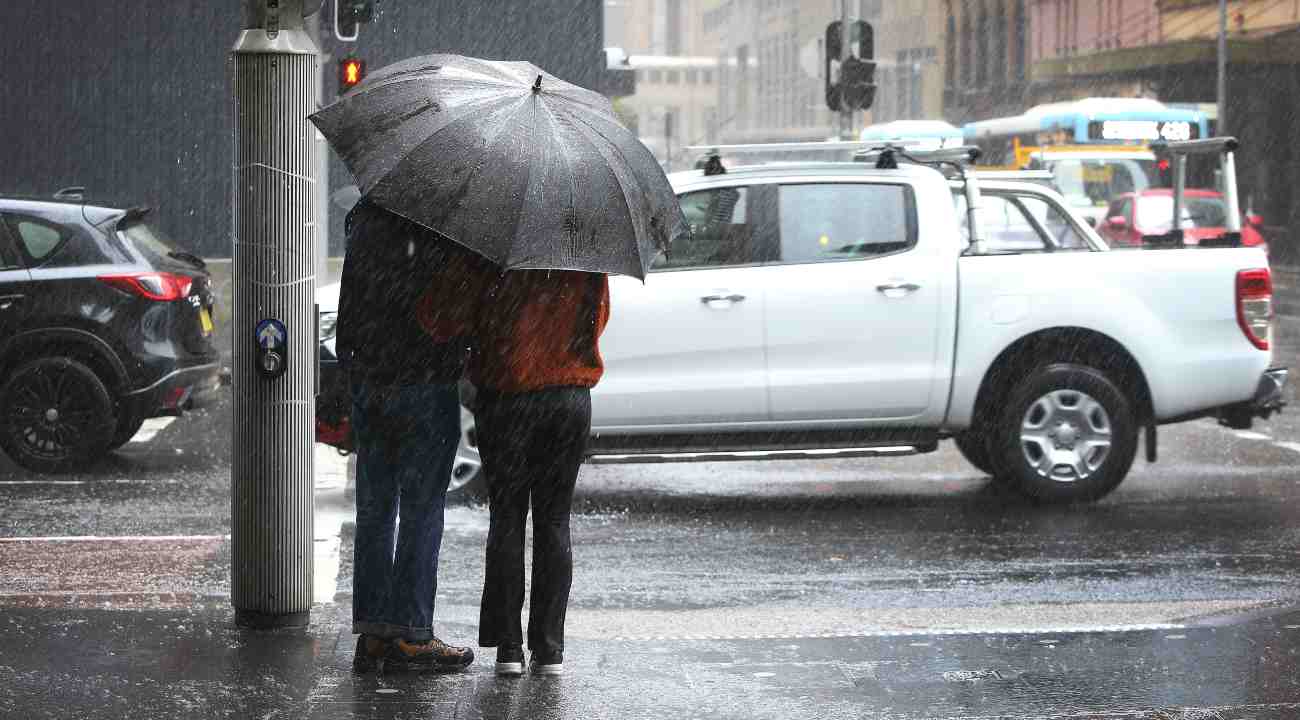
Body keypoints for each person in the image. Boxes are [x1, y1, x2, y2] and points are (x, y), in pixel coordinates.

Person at [336, 199, 490, 673]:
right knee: (422, 509)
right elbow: (452, 312)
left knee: (376, 509)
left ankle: (375, 633)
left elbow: (350, 307)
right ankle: (412, 633)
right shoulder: (444, 222)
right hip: (424, 382)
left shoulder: (365, 215)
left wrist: (358, 371)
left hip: (372, 382)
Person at [469, 269, 610, 677]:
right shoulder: (583, 247)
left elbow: (460, 317)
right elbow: (598, 319)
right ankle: (549, 650)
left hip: (505, 395)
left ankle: (508, 649)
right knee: (553, 521)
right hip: (566, 396)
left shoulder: (493, 248)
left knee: (507, 518)